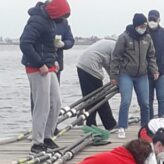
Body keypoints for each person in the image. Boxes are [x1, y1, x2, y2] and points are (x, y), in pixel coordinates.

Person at [20, 0, 71, 154]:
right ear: (54, 11)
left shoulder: (52, 21)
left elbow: (48, 45)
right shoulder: (37, 20)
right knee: (41, 105)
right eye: (62, 14)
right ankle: (37, 143)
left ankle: (48, 137)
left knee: (56, 102)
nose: (63, 18)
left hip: (49, 66)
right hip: (36, 67)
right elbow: (25, 43)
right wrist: (40, 63)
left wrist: (53, 60)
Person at [110, 13, 159, 138]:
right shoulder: (124, 37)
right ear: (136, 25)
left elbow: (151, 56)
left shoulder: (147, 38)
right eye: (141, 25)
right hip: (126, 74)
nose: (143, 28)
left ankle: (145, 127)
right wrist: (114, 76)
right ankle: (122, 127)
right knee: (125, 101)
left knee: (145, 103)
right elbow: (116, 57)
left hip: (142, 75)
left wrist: (154, 70)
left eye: (145, 25)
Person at [76, 39, 117, 130]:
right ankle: (109, 124)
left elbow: (108, 64)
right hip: (91, 67)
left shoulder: (108, 43)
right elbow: (113, 64)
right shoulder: (116, 47)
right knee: (99, 97)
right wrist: (114, 78)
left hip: (81, 65)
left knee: (89, 98)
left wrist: (112, 77)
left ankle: (92, 124)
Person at [54, 17, 74, 82]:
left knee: (55, 91)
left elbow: (70, 40)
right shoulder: (41, 20)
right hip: (41, 64)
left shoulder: (63, 22)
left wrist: (64, 44)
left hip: (57, 64)